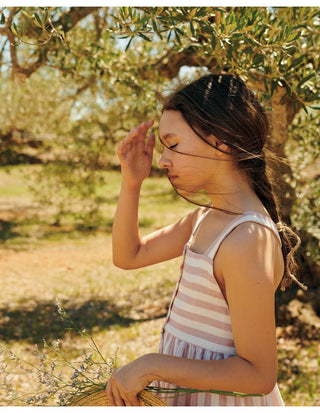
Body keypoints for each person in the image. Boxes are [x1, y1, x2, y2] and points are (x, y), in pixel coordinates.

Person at [107, 73, 305, 406]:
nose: (163, 159)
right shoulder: (206, 218)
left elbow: (259, 375)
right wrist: (131, 183)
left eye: (173, 144)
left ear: (222, 142)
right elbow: (129, 255)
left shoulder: (246, 239)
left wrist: (154, 365)